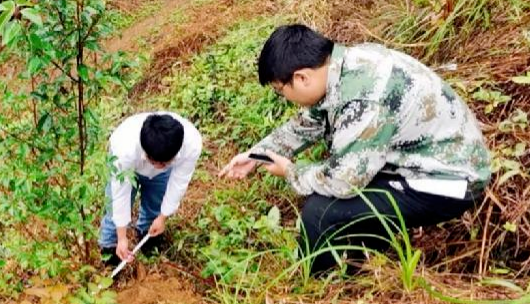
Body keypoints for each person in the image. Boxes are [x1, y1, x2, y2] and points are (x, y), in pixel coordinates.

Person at [220, 24, 490, 274]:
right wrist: (257, 154)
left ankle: (318, 287)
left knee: (320, 210)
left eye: (280, 90)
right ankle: (357, 267)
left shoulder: (364, 99)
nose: (285, 98)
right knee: (356, 197)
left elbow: (342, 181)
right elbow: (310, 123)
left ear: (301, 78)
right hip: (421, 161)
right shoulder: (345, 65)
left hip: (447, 180)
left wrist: (291, 171)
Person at [99, 112, 203, 265]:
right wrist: (122, 237)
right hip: (129, 166)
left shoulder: (191, 145)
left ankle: (148, 238)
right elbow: (120, 195)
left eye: (164, 163)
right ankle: (110, 250)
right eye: (153, 161)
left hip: (160, 169)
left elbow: (179, 182)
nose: (158, 166)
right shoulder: (124, 147)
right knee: (113, 213)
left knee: (155, 204)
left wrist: (162, 217)